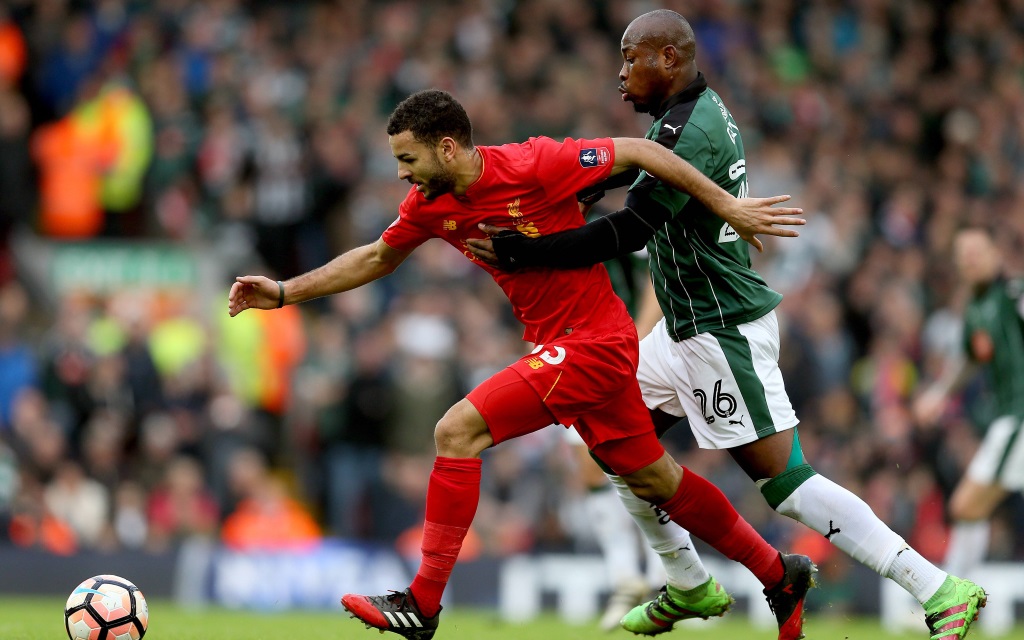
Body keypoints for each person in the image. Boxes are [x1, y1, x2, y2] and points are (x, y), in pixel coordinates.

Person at [465, 10, 987, 640]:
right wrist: (591, 182)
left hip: (721, 331)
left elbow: (632, 230)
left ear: (669, 59)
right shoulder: (680, 118)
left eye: (632, 59)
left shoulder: (692, 128)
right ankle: (687, 583)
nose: (621, 72)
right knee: (610, 443)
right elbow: (644, 164)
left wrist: (526, 253)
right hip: (681, 330)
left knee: (786, 484)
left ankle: (937, 587)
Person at [228, 88, 814, 640]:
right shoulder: (429, 205)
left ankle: (422, 605)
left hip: (596, 343)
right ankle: (777, 572)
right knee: (653, 478)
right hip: (565, 345)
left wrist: (726, 206)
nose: (402, 173)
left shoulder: (535, 164)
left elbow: (639, 151)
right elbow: (379, 256)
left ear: (447, 147)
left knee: (456, 431)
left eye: (408, 159)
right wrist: (282, 293)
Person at [914, 225, 1024, 580]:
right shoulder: (978, 309)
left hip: (1019, 417)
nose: (971, 260)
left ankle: (954, 603)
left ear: (996, 254)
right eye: (964, 255)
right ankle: (956, 602)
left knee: (966, 506)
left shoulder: (1012, 293)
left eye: (978, 251)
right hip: (1008, 417)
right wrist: (937, 395)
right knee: (967, 509)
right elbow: (969, 361)